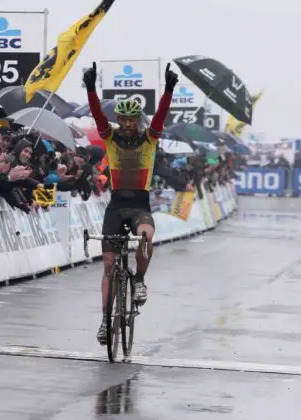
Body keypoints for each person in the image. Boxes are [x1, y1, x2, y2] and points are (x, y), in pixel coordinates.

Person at [83, 61, 192, 345]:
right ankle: (106, 321)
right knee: (109, 265)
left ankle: (140, 279)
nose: (128, 124)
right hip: (115, 207)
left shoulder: (149, 139)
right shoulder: (110, 138)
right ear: (119, 120)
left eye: (133, 120)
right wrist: (91, 89)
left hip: (140, 206)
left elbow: (160, 117)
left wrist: (168, 89)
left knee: (146, 236)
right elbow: (96, 116)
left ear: (138, 121)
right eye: (124, 120)